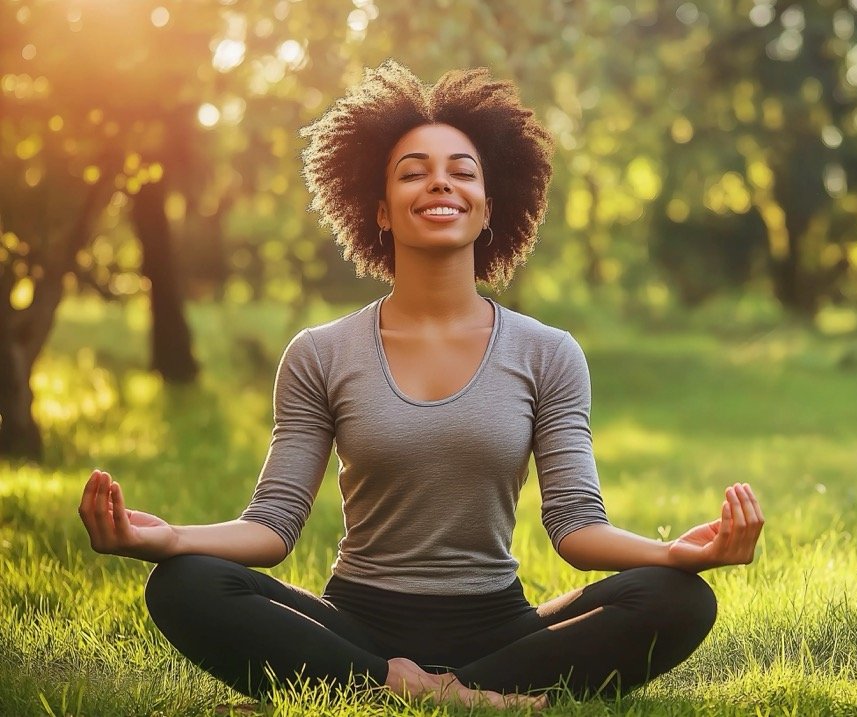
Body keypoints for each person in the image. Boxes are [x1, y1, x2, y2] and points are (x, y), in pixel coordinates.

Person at [77, 60, 765, 710]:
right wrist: (168, 538)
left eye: (461, 172)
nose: (440, 184)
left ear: (490, 208)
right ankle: (427, 690)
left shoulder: (548, 352)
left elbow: (576, 527)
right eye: (414, 173)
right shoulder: (320, 352)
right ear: (378, 209)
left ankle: (401, 689)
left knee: (681, 598)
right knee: (186, 584)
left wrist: (674, 553)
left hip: (497, 625)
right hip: (357, 624)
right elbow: (271, 526)